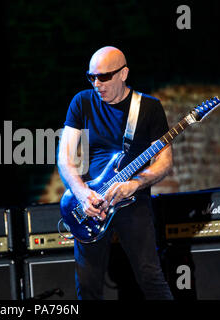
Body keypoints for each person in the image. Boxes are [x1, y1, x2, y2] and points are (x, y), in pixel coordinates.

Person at [57, 46, 174, 300]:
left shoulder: (149, 108)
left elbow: (164, 162)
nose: (97, 83)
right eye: (91, 77)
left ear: (124, 74)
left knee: (151, 277)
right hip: (91, 205)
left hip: (132, 201)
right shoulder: (82, 102)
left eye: (104, 77)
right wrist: (81, 194)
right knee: (87, 286)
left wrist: (134, 184)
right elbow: (64, 157)